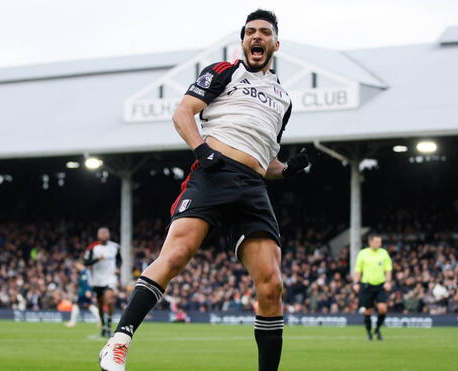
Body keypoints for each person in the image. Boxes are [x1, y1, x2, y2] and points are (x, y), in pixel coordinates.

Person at [99, 9, 309, 371]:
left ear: (276, 43)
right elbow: (183, 113)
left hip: (252, 186)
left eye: (264, 32)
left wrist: (288, 169)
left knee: (272, 284)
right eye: (250, 32)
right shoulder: (223, 72)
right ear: (243, 40)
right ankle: (118, 342)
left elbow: (266, 160)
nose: (256, 37)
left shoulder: (283, 100)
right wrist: (203, 150)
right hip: (213, 173)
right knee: (177, 254)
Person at [353, 234, 392, 341]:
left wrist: (388, 282)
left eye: (380, 242)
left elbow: (388, 269)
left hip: (380, 285)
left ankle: (377, 329)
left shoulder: (384, 253)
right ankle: (369, 333)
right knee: (368, 311)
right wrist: (356, 283)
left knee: (383, 309)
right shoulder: (363, 253)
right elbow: (358, 270)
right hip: (366, 286)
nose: (379, 244)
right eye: (377, 242)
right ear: (370, 242)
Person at [84, 227, 121, 337]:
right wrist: (97, 259)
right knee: (100, 304)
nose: (104, 235)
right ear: (98, 235)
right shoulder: (92, 247)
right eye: (102, 233)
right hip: (98, 280)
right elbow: (86, 262)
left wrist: (118, 267)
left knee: (109, 301)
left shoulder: (115, 247)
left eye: (106, 233)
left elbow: (119, 259)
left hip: (110, 279)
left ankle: (108, 326)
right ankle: (103, 325)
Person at [65, 261, 101, 328]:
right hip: (84, 292)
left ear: (81, 265)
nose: (76, 267)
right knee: (90, 306)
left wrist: (87, 290)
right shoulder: (86, 272)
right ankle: (100, 321)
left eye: (77, 265)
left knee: (76, 305)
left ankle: (72, 322)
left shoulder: (84, 273)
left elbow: (86, 282)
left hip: (84, 293)